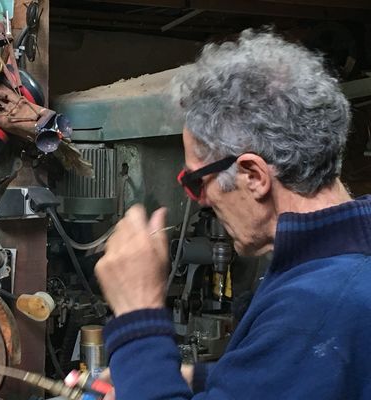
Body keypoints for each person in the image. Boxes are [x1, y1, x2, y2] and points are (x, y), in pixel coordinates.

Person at [95, 29, 371, 400]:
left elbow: (305, 343)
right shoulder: (337, 269)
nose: (201, 200)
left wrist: (138, 317)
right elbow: (287, 376)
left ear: (253, 176)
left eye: (195, 180)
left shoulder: (318, 306)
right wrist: (173, 377)